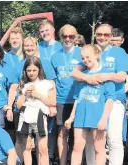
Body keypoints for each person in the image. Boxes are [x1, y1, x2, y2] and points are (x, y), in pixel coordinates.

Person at [72, 24, 128, 165]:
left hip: (114, 100)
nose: (102, 37)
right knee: (90, 142)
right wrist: (88, 78)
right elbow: (75, 72)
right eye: (99, 34)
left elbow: (122, 77)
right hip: (92, 103)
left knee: (113, 139)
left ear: (111, 36)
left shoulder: (119, 53)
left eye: (106, 35)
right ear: (95, 35)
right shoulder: (90, 51)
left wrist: (103, 76)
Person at [65, 45, 116, 165]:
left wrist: (104, 119)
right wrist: (71, 117)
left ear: (96, 55)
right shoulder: (81, 77)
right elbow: (77, 99)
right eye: (82, 58)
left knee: (99, 149)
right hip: (81, 117)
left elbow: (110, 100)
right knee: (77, 148)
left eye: (88, 57)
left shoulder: (105, 75)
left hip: (97, 116)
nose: (85, 60)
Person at [49, 24, 83, 165]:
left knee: (78, 134)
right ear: (60, 37)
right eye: (65, 36)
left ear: (75, 37)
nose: (68, 38)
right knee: (62, 133)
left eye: (71, 36)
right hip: (61, 100)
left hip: (79, 100)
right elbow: (52, 82)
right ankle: (62, 162)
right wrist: (53, 103)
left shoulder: (82, 53)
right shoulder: (55, 56)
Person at [15, 56, 56, 165]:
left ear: (39, 69)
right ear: (25, 71)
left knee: (43, 149)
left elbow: (52, 102)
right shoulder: (23, 84)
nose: (31, 73)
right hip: (25, 117)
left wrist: (36, 95)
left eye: (34, 70)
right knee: (27, 148)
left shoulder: (48, 84)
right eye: (29, 70)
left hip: (40, 116)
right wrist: (24, 94)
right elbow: (18, 106)